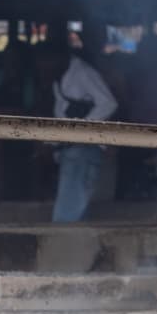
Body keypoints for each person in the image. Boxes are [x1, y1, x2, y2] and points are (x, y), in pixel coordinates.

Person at [49, 38, 119, 222]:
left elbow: (108, 103)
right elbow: (60, 113)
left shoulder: (83, 72)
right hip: (70, 147)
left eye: (46, 59)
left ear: (60, 57)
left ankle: (61, 244)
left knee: (69, 210)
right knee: (76, 205)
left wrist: (80, 130)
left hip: (84, 147)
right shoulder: (58, 77)